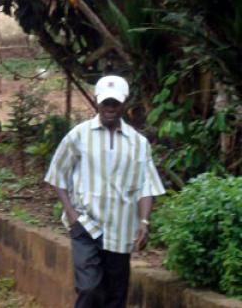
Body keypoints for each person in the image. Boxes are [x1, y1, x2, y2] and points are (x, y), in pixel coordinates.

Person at [45, 75, 165, 308]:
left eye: (115, 103)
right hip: (85, 224)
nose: (110, 108)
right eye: (105, 103)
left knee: (115, 295)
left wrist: (144, 222)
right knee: (89, 289)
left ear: (124, 104)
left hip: (120, 229)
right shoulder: (79, 135)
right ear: (96, 102)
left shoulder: (138, 143)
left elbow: (146, 185)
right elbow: (57, 174)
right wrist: (70, 213)